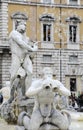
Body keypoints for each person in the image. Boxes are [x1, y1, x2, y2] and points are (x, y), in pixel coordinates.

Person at [8, 20, 38, 103]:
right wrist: (31, 48)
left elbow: (28, 47)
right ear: (18, 25)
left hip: (25, 57)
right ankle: (11, 96)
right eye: (23, 25)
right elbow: (20, 43)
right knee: (13, 76)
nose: (25, 26)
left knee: (30, 73)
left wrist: (34, 47)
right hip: (16, 56)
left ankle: (27, 94)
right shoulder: (14, 33)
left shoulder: (25, 36)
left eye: (25, 25)